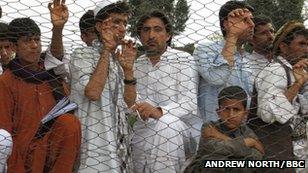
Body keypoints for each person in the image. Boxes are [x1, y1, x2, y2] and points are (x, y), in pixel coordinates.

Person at [0, 16, 81, 173]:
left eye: (37, 40)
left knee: (69, 123)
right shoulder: (6, 81)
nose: (34, 46)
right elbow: (5, 134)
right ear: (14, 47)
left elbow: (57, 54)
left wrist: (57, 28)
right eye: (27, 41)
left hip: (50, 148)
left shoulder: (50, 74)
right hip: (21, 154)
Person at [128, 10, 200, 173]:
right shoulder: (136, 65)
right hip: (144, 129)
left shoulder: (183, 59)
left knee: (166, 125)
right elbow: (132, 105)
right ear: (140, 36)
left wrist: (160, 111)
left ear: (168, 35)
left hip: (179, 130)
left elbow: (190, 104)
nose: (151, 35)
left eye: (157, 29)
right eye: (146, 30)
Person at [69, 0, 136, 172]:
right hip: (93, 136)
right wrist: (106, 50)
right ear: (99, 26)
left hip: (118, 138)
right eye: (115, 22)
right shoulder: (82, 54)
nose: (121, 28)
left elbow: (129, 103)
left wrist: (128, 71)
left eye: (124, 23)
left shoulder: (118, 60)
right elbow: (92, 92)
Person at [254, 21, 308, 172]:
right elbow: (266, 113)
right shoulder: (276, 70)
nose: (306, 49)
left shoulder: (296, 71)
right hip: (276, 156)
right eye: (301, 44)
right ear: (284, 47)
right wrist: (297, 85)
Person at [194, 1, 254, 122]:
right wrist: (232, 35)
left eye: (252, 20)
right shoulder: (205, 49)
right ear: (227, 24)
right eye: (245, 21)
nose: (252, 25)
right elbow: (217, 78)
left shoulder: (250, 58)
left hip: (243, 130)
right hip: (213, 128)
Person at [184, 86, 264, 173]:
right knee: (216, 160)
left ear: (245, 113)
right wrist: (248, 143)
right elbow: (215, 148)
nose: (231, 114)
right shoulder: (209, 127)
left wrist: (220, 136)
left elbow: (257, 156)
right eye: (226, 109)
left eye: (236, 110)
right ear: (218, 112)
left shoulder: (246, 131)